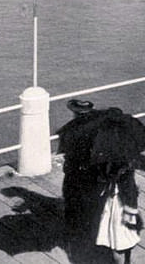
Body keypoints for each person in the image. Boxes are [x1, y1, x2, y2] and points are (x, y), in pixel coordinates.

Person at [92, 160, 142, 264]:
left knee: (120, 237)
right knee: (113, 234)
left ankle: (123, 258)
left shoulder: (124, 168)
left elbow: (129, 190)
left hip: (121, 204)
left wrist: (129, 210)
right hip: (112, 198)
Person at [58, 98, 97, 232]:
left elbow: (66, 149)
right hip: (92, 170)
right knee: (89, 198)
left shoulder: (70, 129)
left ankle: (73, 227)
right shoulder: (96, 128)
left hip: (75, 168)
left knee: (71, 196)